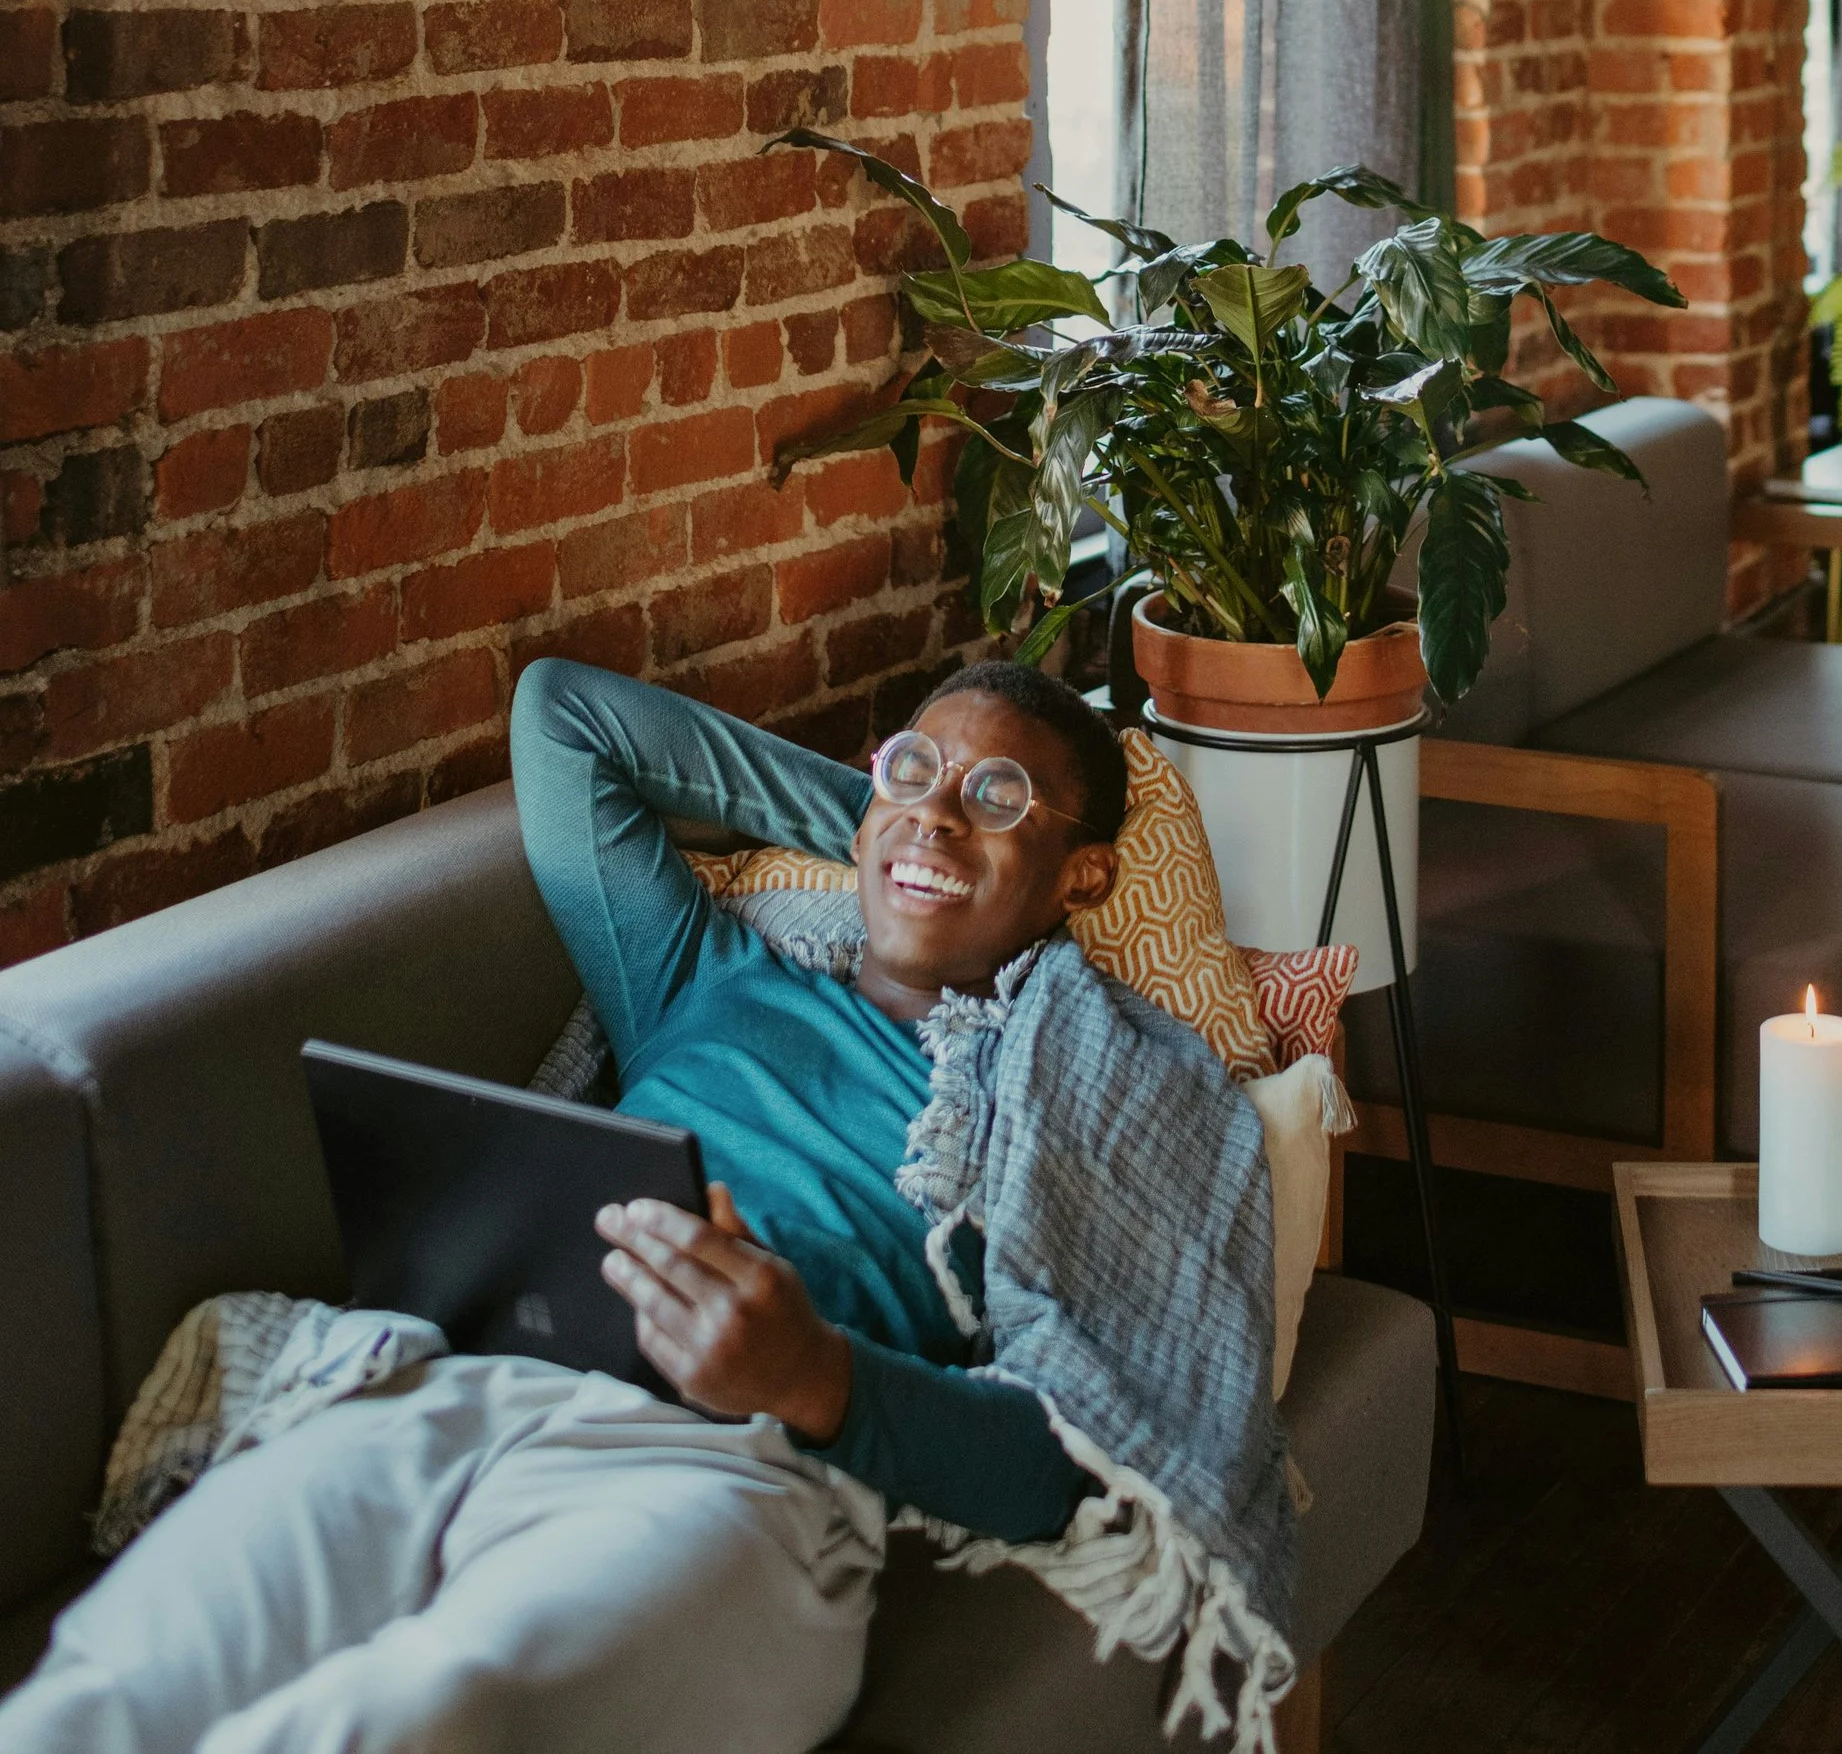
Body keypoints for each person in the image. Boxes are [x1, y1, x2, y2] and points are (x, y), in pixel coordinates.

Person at [1, 653, 1296, 1754]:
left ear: (1085, 873)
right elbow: (565, 713)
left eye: (1002, 795)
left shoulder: (1104, 1090)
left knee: (421, 1711)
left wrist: (819, 1374)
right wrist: (905, 827)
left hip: (730, 1474)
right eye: (913, 767)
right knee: (103, 1686)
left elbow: (1083, 1464)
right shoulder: (702, 966)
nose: (937, 813)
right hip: (449, 1383)